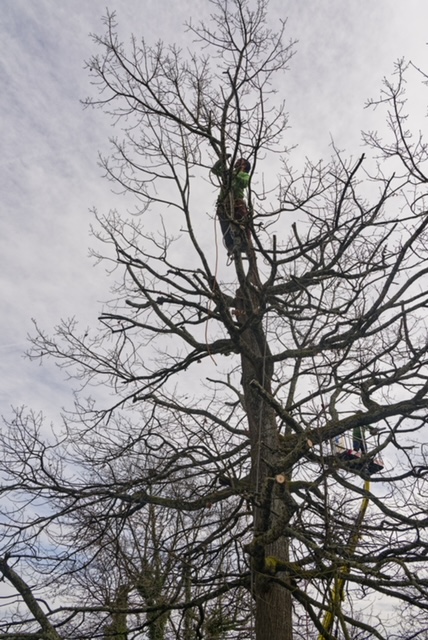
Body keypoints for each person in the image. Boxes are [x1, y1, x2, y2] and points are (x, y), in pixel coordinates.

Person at [211, 156, 252, 259]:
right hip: (224, 204)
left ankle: (245, 242)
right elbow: (214, 170)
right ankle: (230, 245)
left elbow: (244, 183)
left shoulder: (245, 175)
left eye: (240, 162)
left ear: (244, 166)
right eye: (237, 161)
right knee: (224, 224)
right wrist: (222, 160)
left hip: (237, 201)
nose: (237, 162)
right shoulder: (228, 174)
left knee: (242, 220)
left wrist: (235, 174)